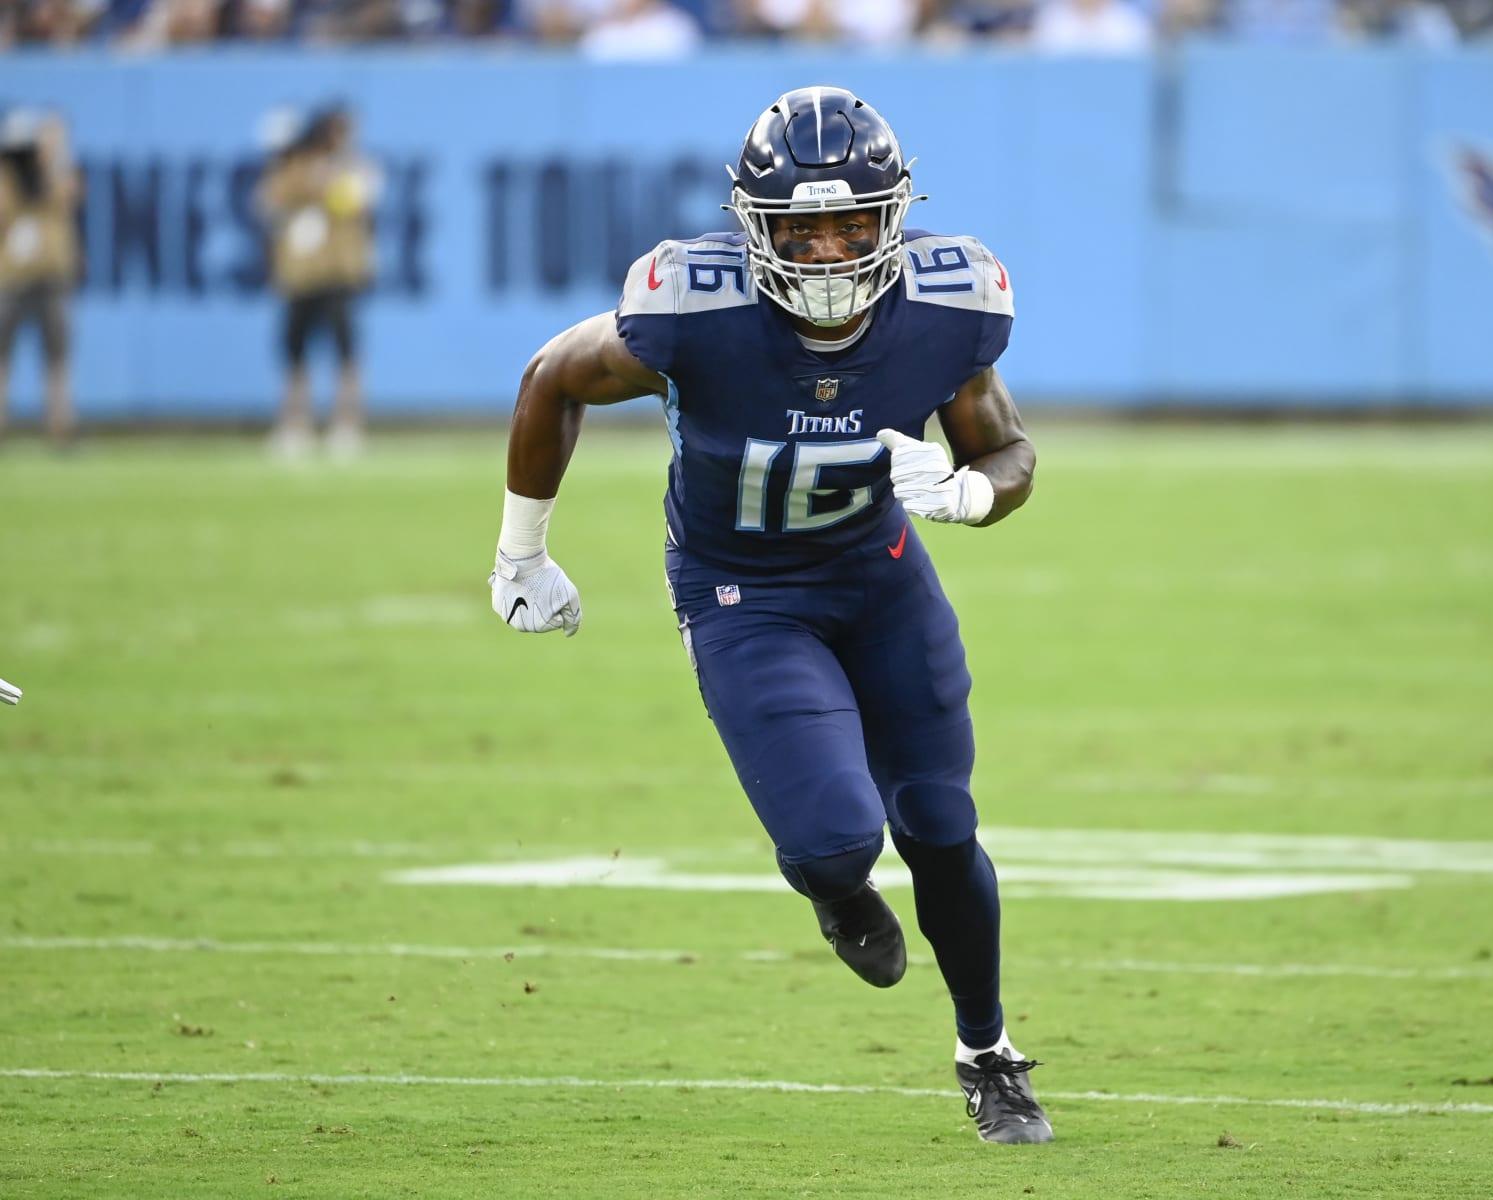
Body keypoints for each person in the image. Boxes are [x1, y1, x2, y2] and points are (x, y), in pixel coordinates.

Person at [487, 86, 1050, 1144]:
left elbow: (1004, 447)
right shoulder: (689, 307)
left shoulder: (946, 303)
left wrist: (973, 493)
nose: (832, 250)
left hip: (882, 579)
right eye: (803, 228)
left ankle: (989, 1054)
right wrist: (522, 548)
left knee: (942, 822)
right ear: (755, 229)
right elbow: (549, 375)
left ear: (895, 218)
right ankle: (836, 890)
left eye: (854, 223)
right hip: (745, 598)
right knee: (839, 842)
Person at [258, 104, 379, 458]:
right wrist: (311, 181)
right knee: (295, 354)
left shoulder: (351, 168)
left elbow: (353, 198)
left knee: (346, 351)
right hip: (300, 276)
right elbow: (269, 200)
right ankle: (296, 425)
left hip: (336, 273)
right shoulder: (291, 168)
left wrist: (322, 184)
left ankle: (347, 425)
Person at [0, 108, 81, 448]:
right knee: (3, 354)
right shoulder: (6, 178)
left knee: (57, 356)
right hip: (13, 276)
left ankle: (59, 427)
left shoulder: (55, 171)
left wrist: (50, 159)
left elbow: (68, 195)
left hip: (52, 277)